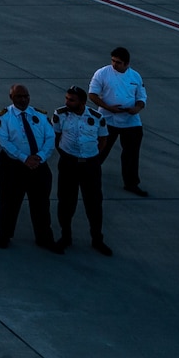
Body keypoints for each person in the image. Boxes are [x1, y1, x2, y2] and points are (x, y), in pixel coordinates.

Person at [0, 84, 61, 251]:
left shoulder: (40, 115)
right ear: (11, 98)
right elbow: (5, 143)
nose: (23, 100)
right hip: (13, 167)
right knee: (9, 203)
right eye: (19, 97)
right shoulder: (3, 118)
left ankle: (44, 237)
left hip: (38, 164)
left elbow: (50, 137)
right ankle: (4, 235)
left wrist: (40, 157)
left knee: (41, 204)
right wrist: (24, 159)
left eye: (26, 96)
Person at [54, 85, 112, 255]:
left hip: (90, 165)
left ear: (82, 102)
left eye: (71, 100)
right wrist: (66, 155)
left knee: (93, 203)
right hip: (68, 163)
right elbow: (56, 137)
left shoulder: (97, 117)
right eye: (66, 98)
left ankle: (97, 239)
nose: (67, 102)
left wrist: (91, 157)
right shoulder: (60, 114)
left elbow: (103, 140)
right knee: (66, 202)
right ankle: (65, 237)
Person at [88, 47, 148, 195]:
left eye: (118, 62)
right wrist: (107, 107)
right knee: (99, 151)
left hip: (131, 121)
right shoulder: (102, 73)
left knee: (131, 155)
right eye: (113, 60)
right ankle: (88, 177)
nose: (114, 64)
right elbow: (92, 94)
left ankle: (131, 183)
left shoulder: (135, 76)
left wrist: (137, 108)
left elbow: (141, 97)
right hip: (108, 119)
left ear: (127, 63)